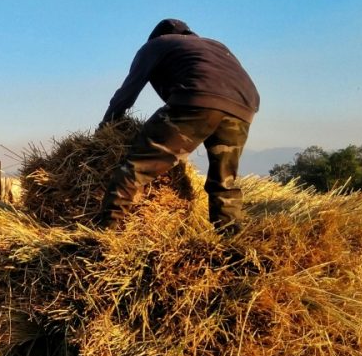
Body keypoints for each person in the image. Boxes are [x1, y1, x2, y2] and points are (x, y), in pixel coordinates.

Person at [97, 18, 259, 234]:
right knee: (223, 182)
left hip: (198, 96)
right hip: (244, 107)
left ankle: (105, 234)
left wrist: (106, 126)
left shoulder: (156, 45)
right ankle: (232, 239)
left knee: (135, 168)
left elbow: (127, 93)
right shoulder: (215, 46)